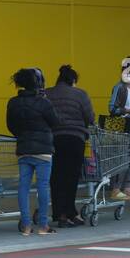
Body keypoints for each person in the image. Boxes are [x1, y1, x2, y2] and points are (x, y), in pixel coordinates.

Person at [6, 68, 58, 236]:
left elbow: (11, 125)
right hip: (43, 150)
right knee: (43, 186)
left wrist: (22, 135)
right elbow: (55, 122)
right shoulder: (44, 102)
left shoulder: (13, 102)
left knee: (23, 187)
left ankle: (26, 226)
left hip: (24, 149)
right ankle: (43, 225)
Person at [45, 64, 95, 227]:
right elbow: (90, 116)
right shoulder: (80, 94)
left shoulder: (48, 94)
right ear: (73, 80)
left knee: (56, 177)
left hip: (54, 139)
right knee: (71, 177)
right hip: (75, 139)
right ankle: (70, 212)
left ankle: (59, 214)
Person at [108, 60, 130, 200]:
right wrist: (126, 110)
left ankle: (128, 186)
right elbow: (111, 108)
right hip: (124, 125)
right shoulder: (119, 88)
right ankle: (116, 188)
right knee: (121, 157)